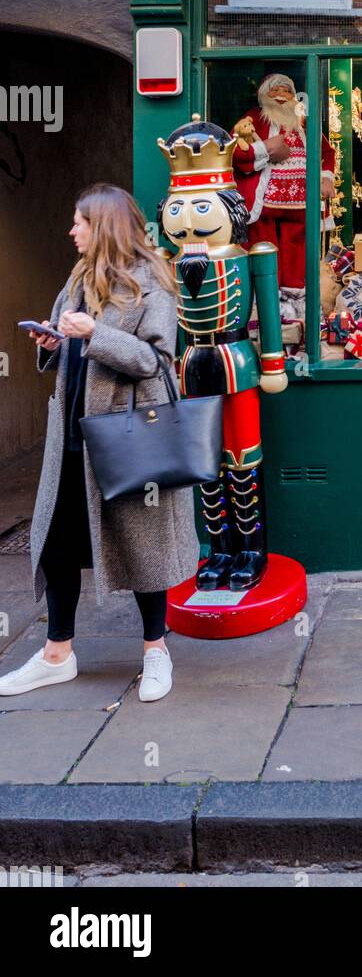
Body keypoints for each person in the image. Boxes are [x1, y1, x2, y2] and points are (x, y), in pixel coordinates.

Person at [0, 184, 200, 703]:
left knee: (143, 544)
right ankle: (56, 655)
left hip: (128, 438)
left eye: (78, 222)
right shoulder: (77, 280)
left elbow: (155, 361)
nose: (71, 231)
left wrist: (94, 335)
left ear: (102, 226)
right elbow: (71, 351)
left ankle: (156, 652)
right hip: (71, 439)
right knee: (58, 545)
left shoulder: (151, 281)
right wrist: (54, 342)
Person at [231, 72, 336, 289]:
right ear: (264, 95)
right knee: (263, 248)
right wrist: (267, 149)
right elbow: (235, 151)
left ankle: (294, 291)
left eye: (287, 91)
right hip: (265, 203)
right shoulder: (253, 119)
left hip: (299, 202)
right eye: (275, 90)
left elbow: (325, 151)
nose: (281, 95)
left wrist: (326, 178)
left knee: (297, 249)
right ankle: (267, 293)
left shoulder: (304, 124)